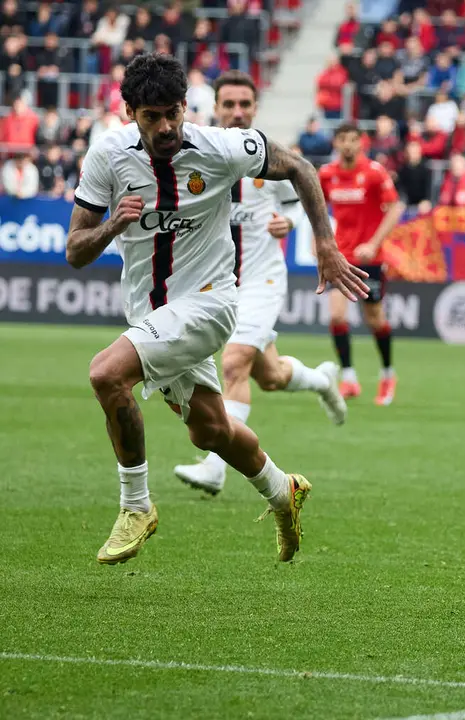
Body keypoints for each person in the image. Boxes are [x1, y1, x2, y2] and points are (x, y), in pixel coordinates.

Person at [66, 53, 368, 565]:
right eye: (151, 116)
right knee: (210, 430)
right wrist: (113, 226)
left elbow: (299, 166)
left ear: (186, 106)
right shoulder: (107, 157)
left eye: (173, 113)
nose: (165, 127)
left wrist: (325, 244)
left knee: (105, 375)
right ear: (129, 114)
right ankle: (282, 490)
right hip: (149, 311)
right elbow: (75, 250)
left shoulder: (222, 147)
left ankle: (135, 505)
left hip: (210, 301)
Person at [172, 70, 349, 495]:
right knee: (268, 375)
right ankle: (323, 381)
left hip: (261, 279)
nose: (236, 113)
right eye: (228, 104)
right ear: (215, 108)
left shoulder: (269, 157)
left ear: (254, 108)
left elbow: (308, 202)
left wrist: (287, 222)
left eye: (244, 105)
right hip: (218, 285)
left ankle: (216, 467)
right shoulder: (196, 153)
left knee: (232, 364)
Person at [318, 124, 407, 405]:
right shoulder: (327, 174)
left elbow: (395, 208)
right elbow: (316, 209)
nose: (348, 145)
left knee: (374, 319)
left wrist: (374, 243)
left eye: (353, 140)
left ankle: (387, 374)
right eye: (343, 139)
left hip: (369, 259)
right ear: (336, 142)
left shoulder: (374, 173)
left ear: (362, 143)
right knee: (336, 316)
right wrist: (319, 241)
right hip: (340, 257)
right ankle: (349, 378)